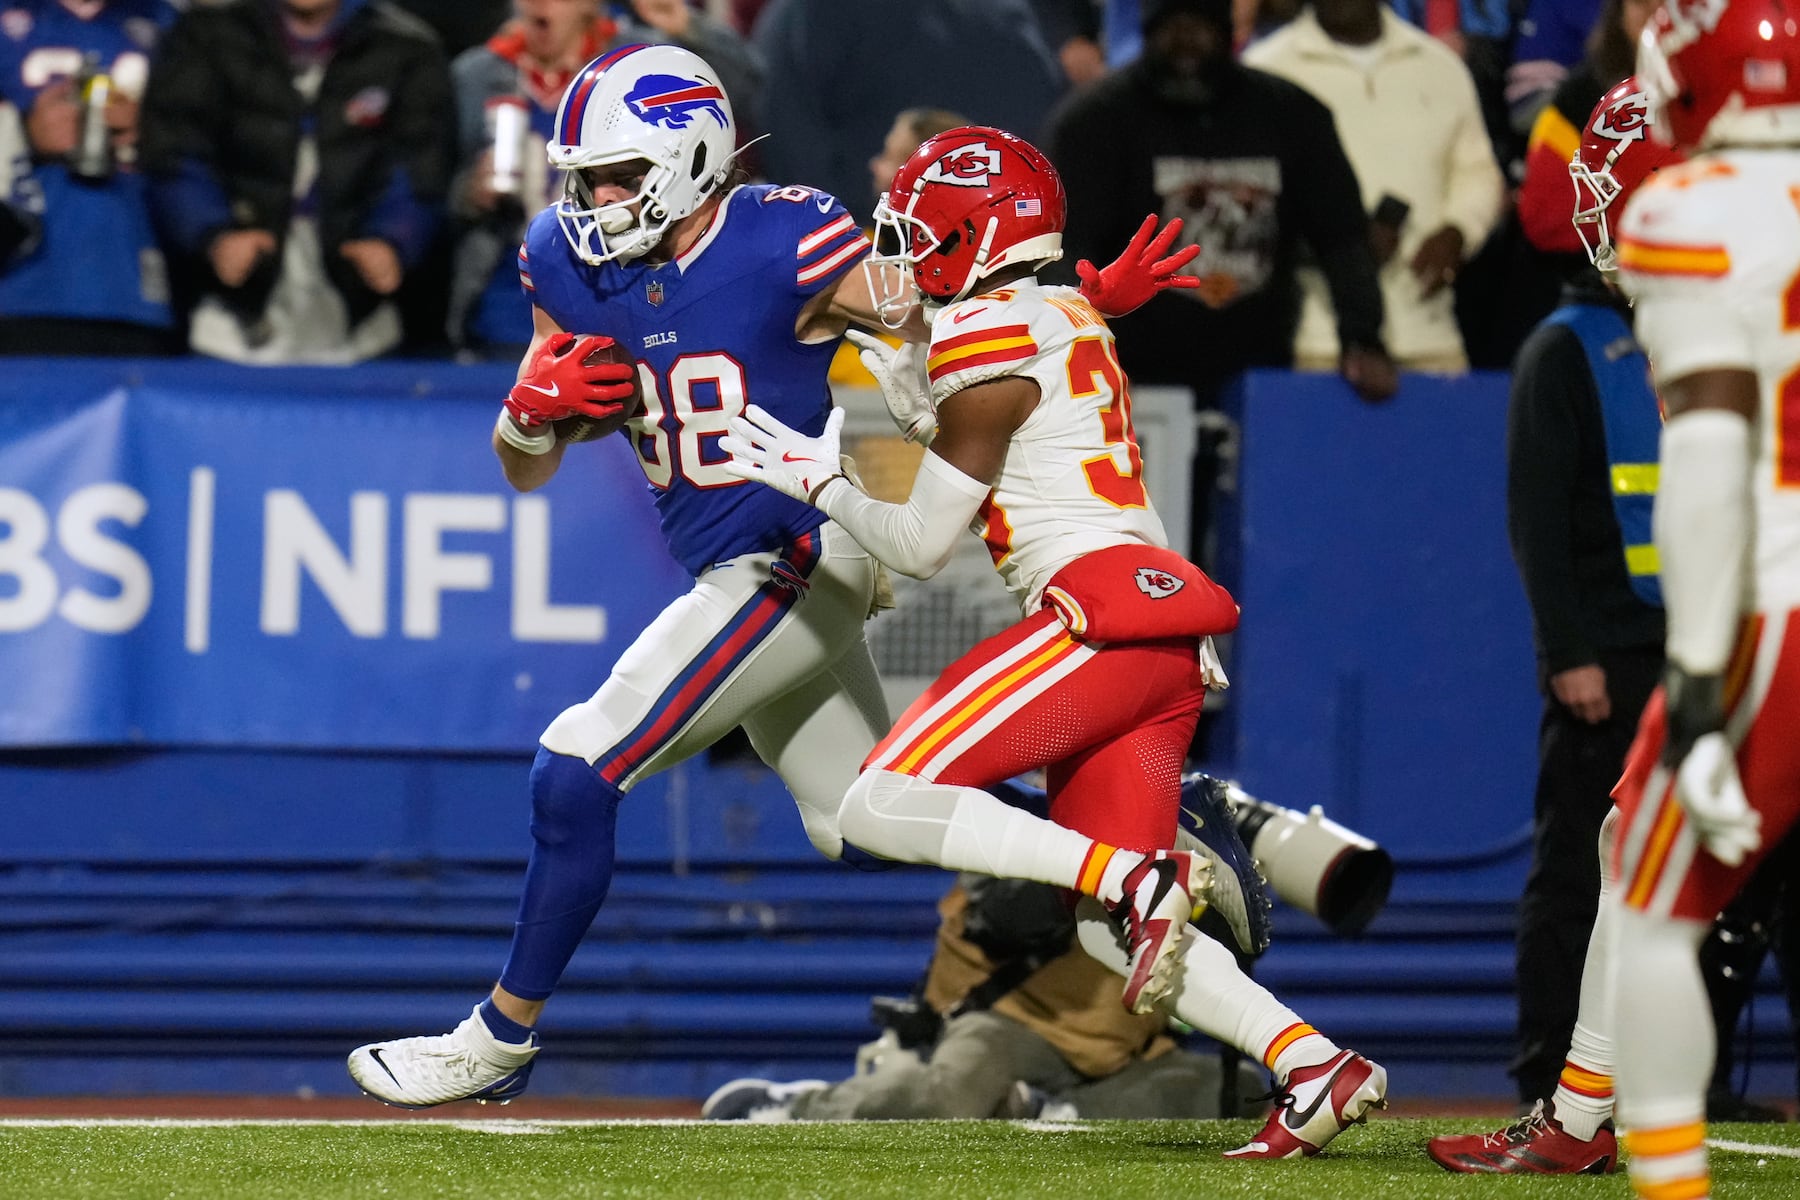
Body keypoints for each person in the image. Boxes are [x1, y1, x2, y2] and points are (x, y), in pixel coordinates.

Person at [345, 44, 1218, 1111]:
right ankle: (1173, 831)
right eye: (583, 177)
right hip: (731, 562)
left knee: (576, 765)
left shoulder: (788, 234)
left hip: (798, 549)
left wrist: (1078, 299)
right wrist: (526, 412)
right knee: (857, 819)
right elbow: (525, 468)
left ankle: (496, 1036)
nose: (593, 199)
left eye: (618, 174)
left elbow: (959, 316)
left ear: (692, 155)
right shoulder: (559, 258)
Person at [722, 123, 1388, 1160]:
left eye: (920, 234)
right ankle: (1314, 1064)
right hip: (1164, 635)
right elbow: (998, 359)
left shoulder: (989, 335)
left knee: (878, 799)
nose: (903, 255)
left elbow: (922, 540)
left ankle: (1142, 875)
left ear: (973, 242)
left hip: (1098, 616)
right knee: (1100, 930)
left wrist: (813, 477)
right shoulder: (1057, 307)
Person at [1601, 6, 1800, 1193]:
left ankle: (1669, 1182)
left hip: (1778, 608)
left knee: (1656, 898)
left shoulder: (1693, 210)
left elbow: (1713, 456)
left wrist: (1693, 679)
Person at [700, 772, 1276, 1123]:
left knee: (1240, 1094)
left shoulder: (1185, 834)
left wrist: (1223, 884)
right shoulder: (1028, 815)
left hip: (1119, 1047)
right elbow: (1003, 916)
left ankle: (1046, 1111)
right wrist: (1103, 867)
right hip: (1013, 1021)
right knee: (945, 1105)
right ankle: (799, 1105)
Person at [1046, 0, 1396, 412]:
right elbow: (1066, 254)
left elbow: (1342, 238)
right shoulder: (1095, 121)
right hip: (1130, 374)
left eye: (1201, 25)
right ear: (1147, 34)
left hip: (1261, 373)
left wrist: (1363, 339)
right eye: (1172, 26)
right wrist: (1081, 357)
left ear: (1228, 32)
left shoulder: (1291, 114)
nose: (1186, 41)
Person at [137, 0, 453, 364]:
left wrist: (395, 240)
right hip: (225, 321)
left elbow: (421, 165)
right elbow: (175, 152)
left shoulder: (405, 46)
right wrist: (212, 234)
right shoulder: (207, 35)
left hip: (362, 325)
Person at [447, 0, 761, 359]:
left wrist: (692, 31)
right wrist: (468, 192)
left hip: (629, 282)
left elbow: (748, 96)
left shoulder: (641, 58)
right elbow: (438, 189)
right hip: (502, 295)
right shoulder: (475, 73)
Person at [1243, 0, 1505, 374]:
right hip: (1313, 345)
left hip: (1430, 340)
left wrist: (1459, 230)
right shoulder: (1267, 69)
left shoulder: (1441, 69)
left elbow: (1477, 173)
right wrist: (1339, 246)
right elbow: (1248, 196)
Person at [750, 0, 1066, 220]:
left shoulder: (1008, 14)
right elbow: (790, 136)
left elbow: (1043, 118)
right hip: (879, 254)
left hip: (1008, 244)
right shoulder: (810, 15)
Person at [0, 0, 182, 356]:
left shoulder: (168, 21)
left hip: (136, 287)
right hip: (21, 292)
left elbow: (214, 140)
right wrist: (25, 134)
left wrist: (153, 130)